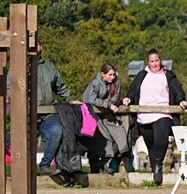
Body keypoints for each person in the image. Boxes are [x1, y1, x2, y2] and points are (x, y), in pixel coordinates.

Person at [123, 49, 187, 185]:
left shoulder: (167, 75)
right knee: (151, 146)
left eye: (157, 61)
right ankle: (156, 175)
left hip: (163, 113)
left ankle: (157, 165)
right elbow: (133, 90)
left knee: (161, 140)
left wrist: (181, 100)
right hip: (144, 115)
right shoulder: (142, 75)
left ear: (161, 60)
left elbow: (177, 90)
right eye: (152, 61)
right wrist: (128, 98)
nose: (154, 64)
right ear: (148, 62)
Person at [33, 43, 77, 175]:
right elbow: (10, 85)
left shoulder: (49, 66)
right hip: (26, 113)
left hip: (46, 113)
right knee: (23, 140)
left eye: (38, 44)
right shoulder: (20, 65)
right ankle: (23, 171)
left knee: (57, 132)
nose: (36, 46)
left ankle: (45, 166)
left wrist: (70, 99)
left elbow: (60, 86)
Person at [82, 62, 131, 174]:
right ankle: (101, 164)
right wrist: (108, 105)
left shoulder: (116, 83)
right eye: (110, 74)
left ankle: (121, 153)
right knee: (104, 138)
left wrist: (115, 103)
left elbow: (115, 99)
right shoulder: (95, 83)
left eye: (113, 74)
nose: (112, 77)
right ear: (102, 74)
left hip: (107, 114)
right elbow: (90, 99)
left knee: (119, 133)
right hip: (93, 115)